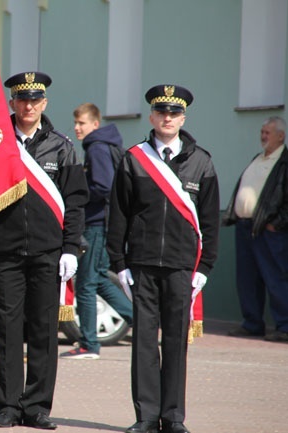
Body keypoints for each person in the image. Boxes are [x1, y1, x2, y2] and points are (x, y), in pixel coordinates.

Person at [107, 85, 220, 433]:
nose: (167, 118)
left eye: (174, 113)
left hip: (180, 266)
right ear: (152, 116)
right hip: (141, 263)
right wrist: (119, 263)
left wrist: (204, 266)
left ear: (182, 118)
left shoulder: (201, 161)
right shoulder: (133, 158)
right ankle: (146, 416)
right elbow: (119, 215)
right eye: (161, 112)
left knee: (175, 341)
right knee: (143, 342)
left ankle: (172, 417)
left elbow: (210, 219)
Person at [0, 72, 88, 430]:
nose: (28, 106)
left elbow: (75, 202)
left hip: (48, 252)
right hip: (6, 251)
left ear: (44, 103)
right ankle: (8, 407)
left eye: (35, 100)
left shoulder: (62, 147)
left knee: (44, 331)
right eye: (21, 99)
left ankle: (38, 407)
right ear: (12, 103)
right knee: (8, 331)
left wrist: (71, 248)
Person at [60, 103, 133, 360]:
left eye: (82, 123)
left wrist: (76, 195)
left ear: (95, 124)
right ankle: (140, 320)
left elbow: (103, 187)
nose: (78, 128)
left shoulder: (97, 147)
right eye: (76, 123)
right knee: (100, 278)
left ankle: (89, 344)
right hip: (102, 223)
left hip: (96, 224)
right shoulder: (101, 145)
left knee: (87, 284)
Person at [222, 116, 288, 343]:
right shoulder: (258, 159)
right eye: (262, 131)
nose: (262, 136)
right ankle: (252, 324)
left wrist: (275, 224)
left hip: (268, 230)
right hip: (245, 227)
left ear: (281, 136)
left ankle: (285, 326)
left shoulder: (284, 163)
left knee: (275, 277)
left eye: (267, 132)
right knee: (247, 279)